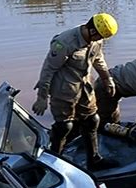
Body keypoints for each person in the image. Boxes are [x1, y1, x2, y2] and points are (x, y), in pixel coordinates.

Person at [32, 13, 119, 171]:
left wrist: (107, 79)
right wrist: (42, 97)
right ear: (92, 30)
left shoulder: (96, 40)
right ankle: (52, 166)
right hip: (62, 91)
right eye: (99, 36)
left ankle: (94, 160)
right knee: (64, 127)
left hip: (84, 88)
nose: (100, 39)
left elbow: (98, 59)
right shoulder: (65, 42)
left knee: (92, 120)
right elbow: (48, 70)